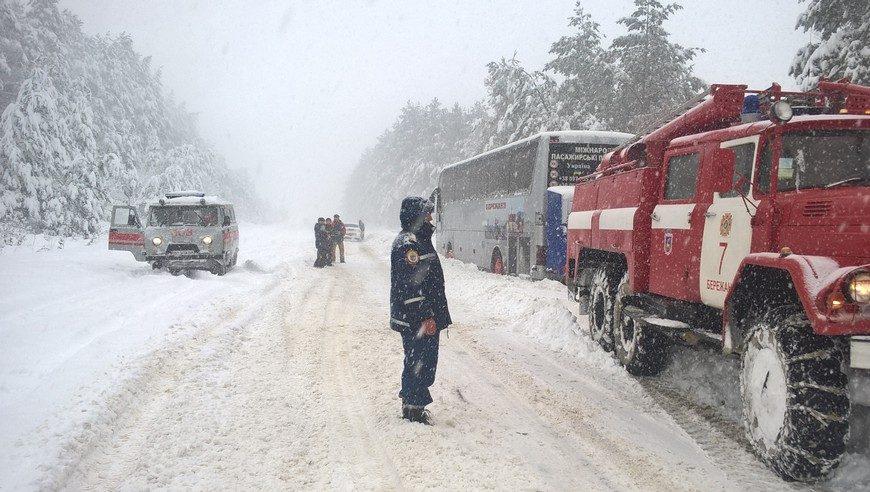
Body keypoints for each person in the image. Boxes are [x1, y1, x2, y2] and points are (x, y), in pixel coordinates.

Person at [390, 196, 452, 424]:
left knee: (421, 361)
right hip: (416, 318)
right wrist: (426, 315)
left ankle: (413, 404)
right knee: (419, 362)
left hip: (419, 317)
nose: (430, 217)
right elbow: (411, 285)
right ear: (416, 215)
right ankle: (414, 409)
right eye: (426, 213)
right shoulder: (409, 243)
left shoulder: (419, 240)